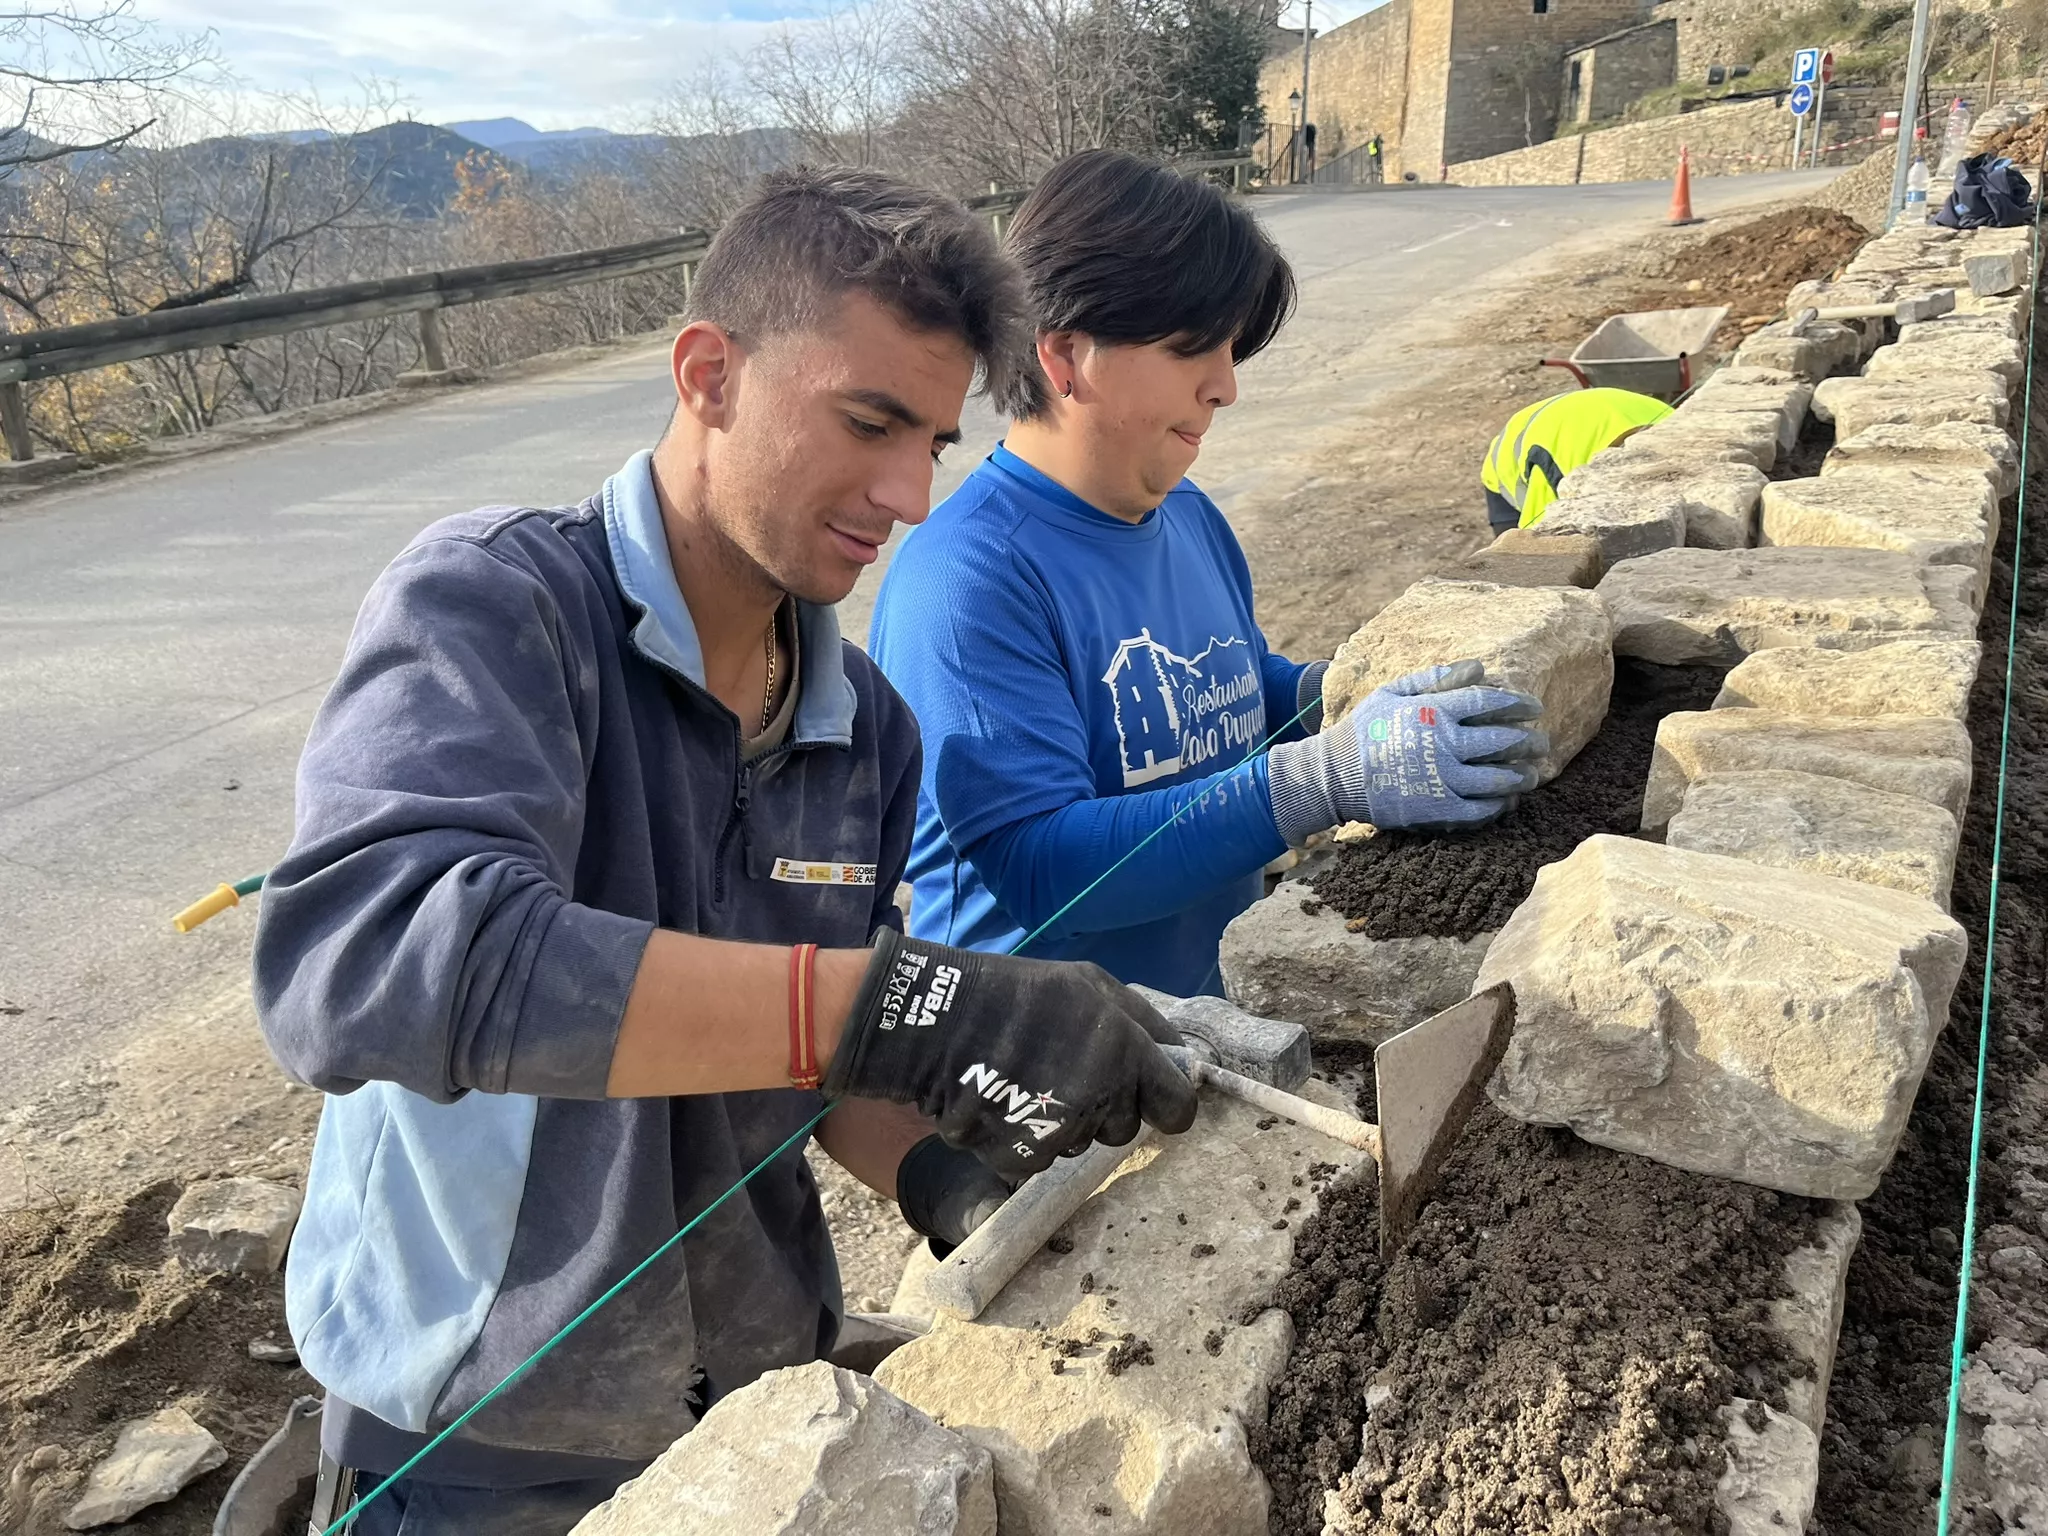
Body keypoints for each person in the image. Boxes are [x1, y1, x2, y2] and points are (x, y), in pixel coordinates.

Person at [251, 166, 1202, 1536]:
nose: (908, 494)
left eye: (933, 441)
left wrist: (952, 1175)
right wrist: (904, 1007)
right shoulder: (498, 606)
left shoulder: (863, 727)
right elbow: (366, 967)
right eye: (871, 421)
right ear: (707, 373)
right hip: (479, 1449)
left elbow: (820, 1057)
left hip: (762, 1420)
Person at [868, 150, 1547, 1000]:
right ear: (1066, 355)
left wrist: (1345, 697)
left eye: (1231, 349)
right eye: (1195, 349)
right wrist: (1328, 779)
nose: (1225, 386)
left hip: (1211, 1024)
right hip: (1048, 1080)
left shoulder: (1186, 515)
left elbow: (1231, 691)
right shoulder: (969, 580)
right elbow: (1043, 866)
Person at [1479, 384, 1672, 534]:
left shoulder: (1681, 437)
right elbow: (1537, 537)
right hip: (1508, 464)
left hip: (1597, 411)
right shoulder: (1555, 468)